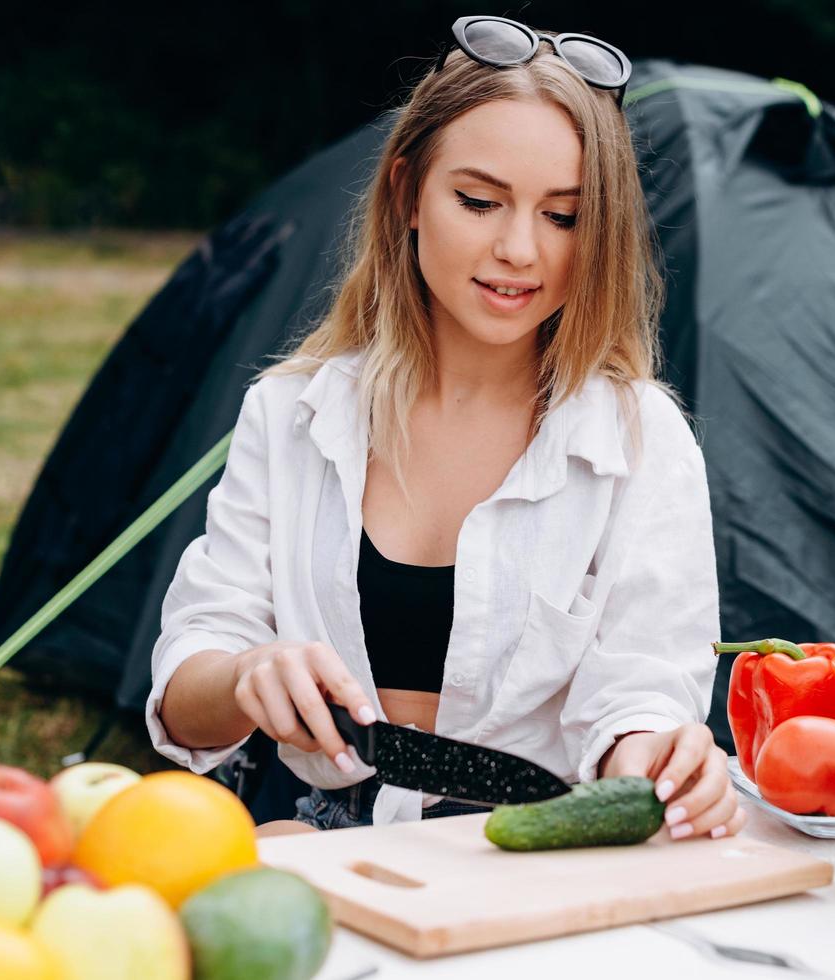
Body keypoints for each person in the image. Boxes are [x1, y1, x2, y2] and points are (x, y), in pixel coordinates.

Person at [147, 15, 744, 839]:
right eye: (478, 201)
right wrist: (246, 672)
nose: (519, 249)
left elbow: (639, 692)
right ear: (405, 195)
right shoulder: (292, 415)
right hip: (313, 837)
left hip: (531, 847)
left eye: (563, 217)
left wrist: (655, 759)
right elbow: (187, 690)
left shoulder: (639, 441)